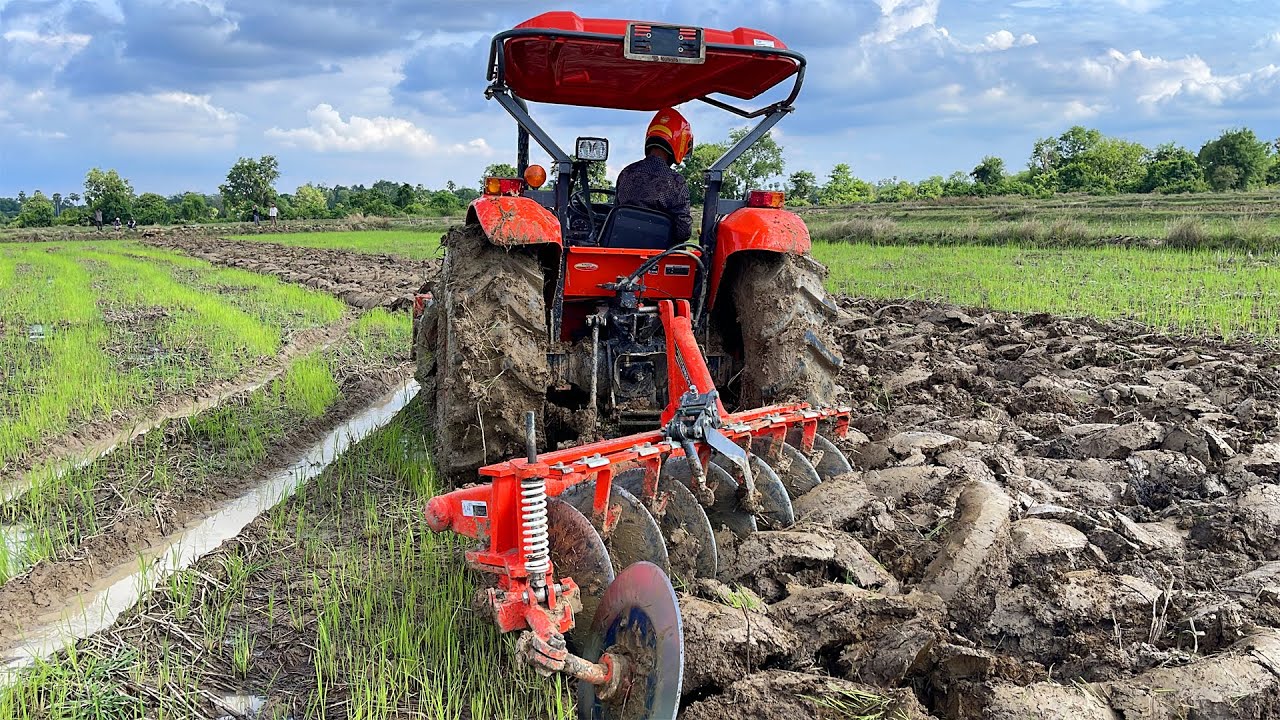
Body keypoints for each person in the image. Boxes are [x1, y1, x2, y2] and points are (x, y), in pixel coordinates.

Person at [615, 106, 694, 242]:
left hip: (620, 248)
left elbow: (616, 212)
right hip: (659, 256)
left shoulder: (626, 173)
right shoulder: (676, 182)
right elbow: (683, 232)